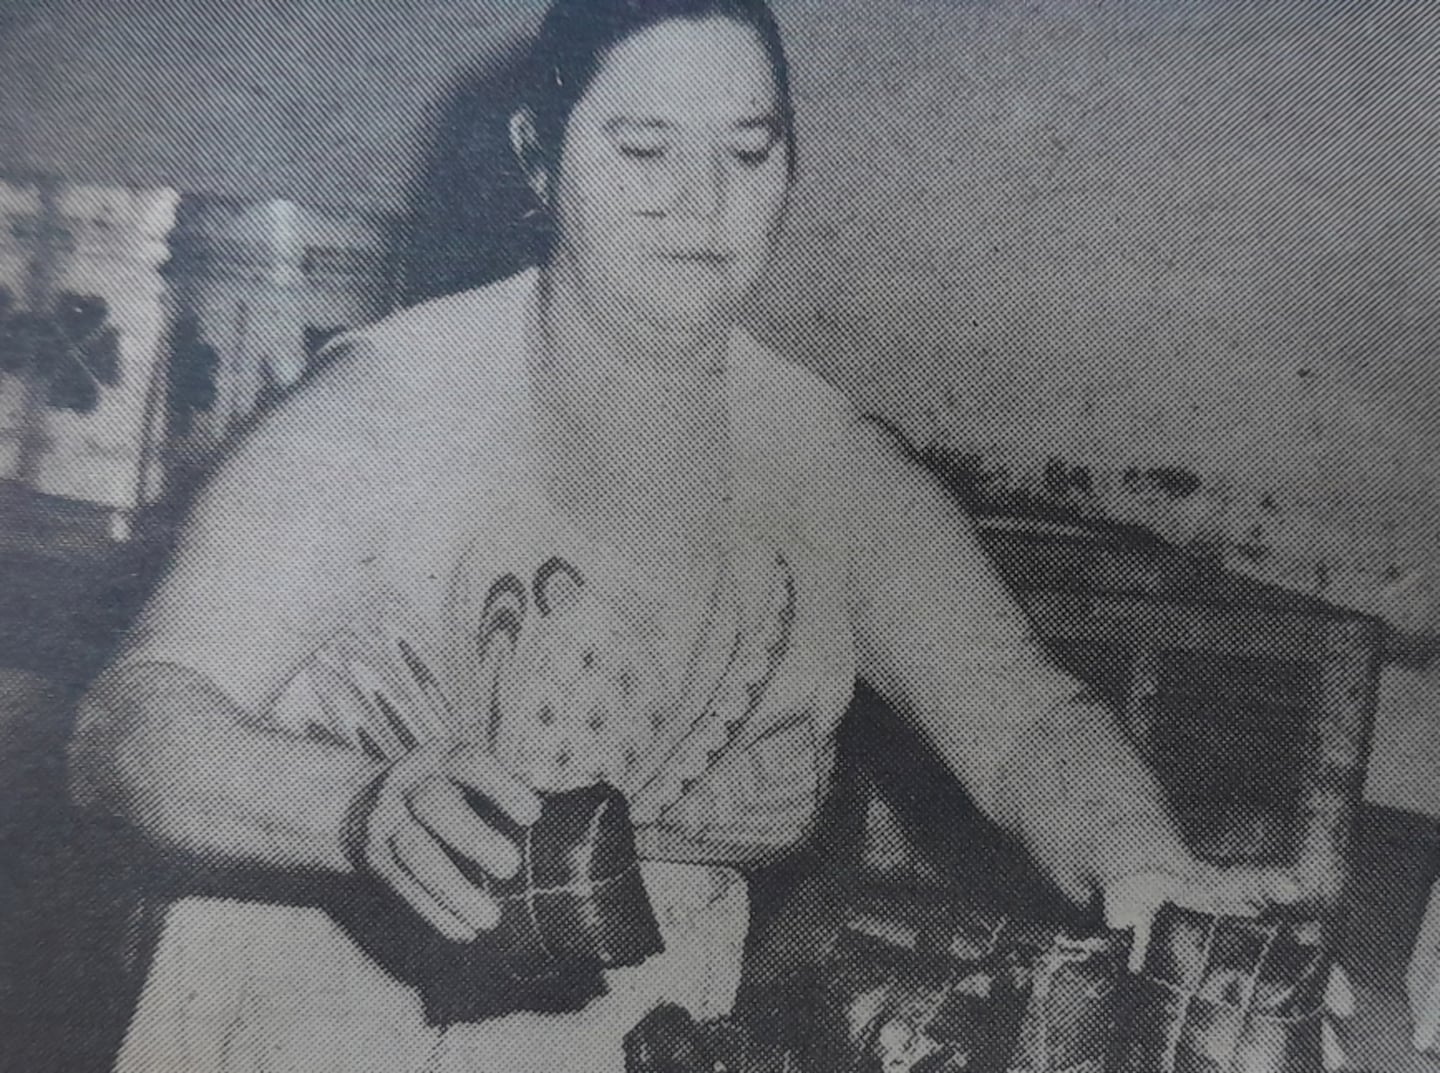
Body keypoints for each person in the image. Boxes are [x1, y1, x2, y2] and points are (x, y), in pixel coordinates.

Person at [68, 1, 1343, 1070]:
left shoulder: (830, 465)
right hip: (311, 1017)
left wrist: (1141, 857)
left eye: (748, 150)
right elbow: (130, 727)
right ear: (538, 156)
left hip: (652, 1035)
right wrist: (358, 809)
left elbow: (1021, 718)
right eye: (643, 149)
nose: (702, 202)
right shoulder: (389, 410)